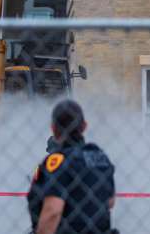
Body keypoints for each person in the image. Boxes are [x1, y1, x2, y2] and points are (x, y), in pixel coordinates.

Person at [27, 99, 116, 234]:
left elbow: (53, 211)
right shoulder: (100, 157)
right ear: (84, 126)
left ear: (53, 128)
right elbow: (110, 202)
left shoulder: (58, 161)